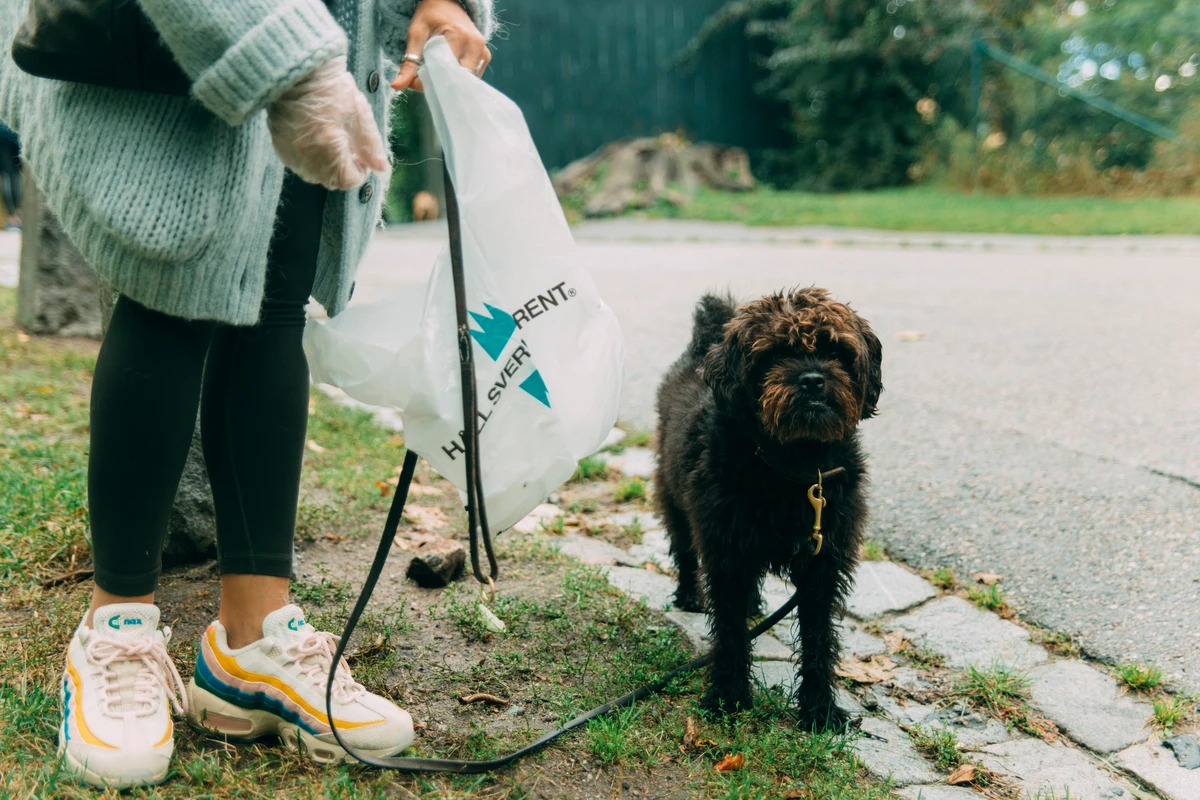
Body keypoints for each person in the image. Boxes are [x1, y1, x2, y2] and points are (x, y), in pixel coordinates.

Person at [0, 0, 494, 789]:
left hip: (322, 34)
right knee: (167, 294)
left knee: (273, 309)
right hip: (172, 34)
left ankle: (249, 642)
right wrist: (287, 62)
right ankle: (116, 628)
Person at [0, 121, 19, 229]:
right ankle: (13, 216)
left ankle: (12, 215)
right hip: (6, 142)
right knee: (10, 177)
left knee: (8, 178)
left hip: (7, 141)